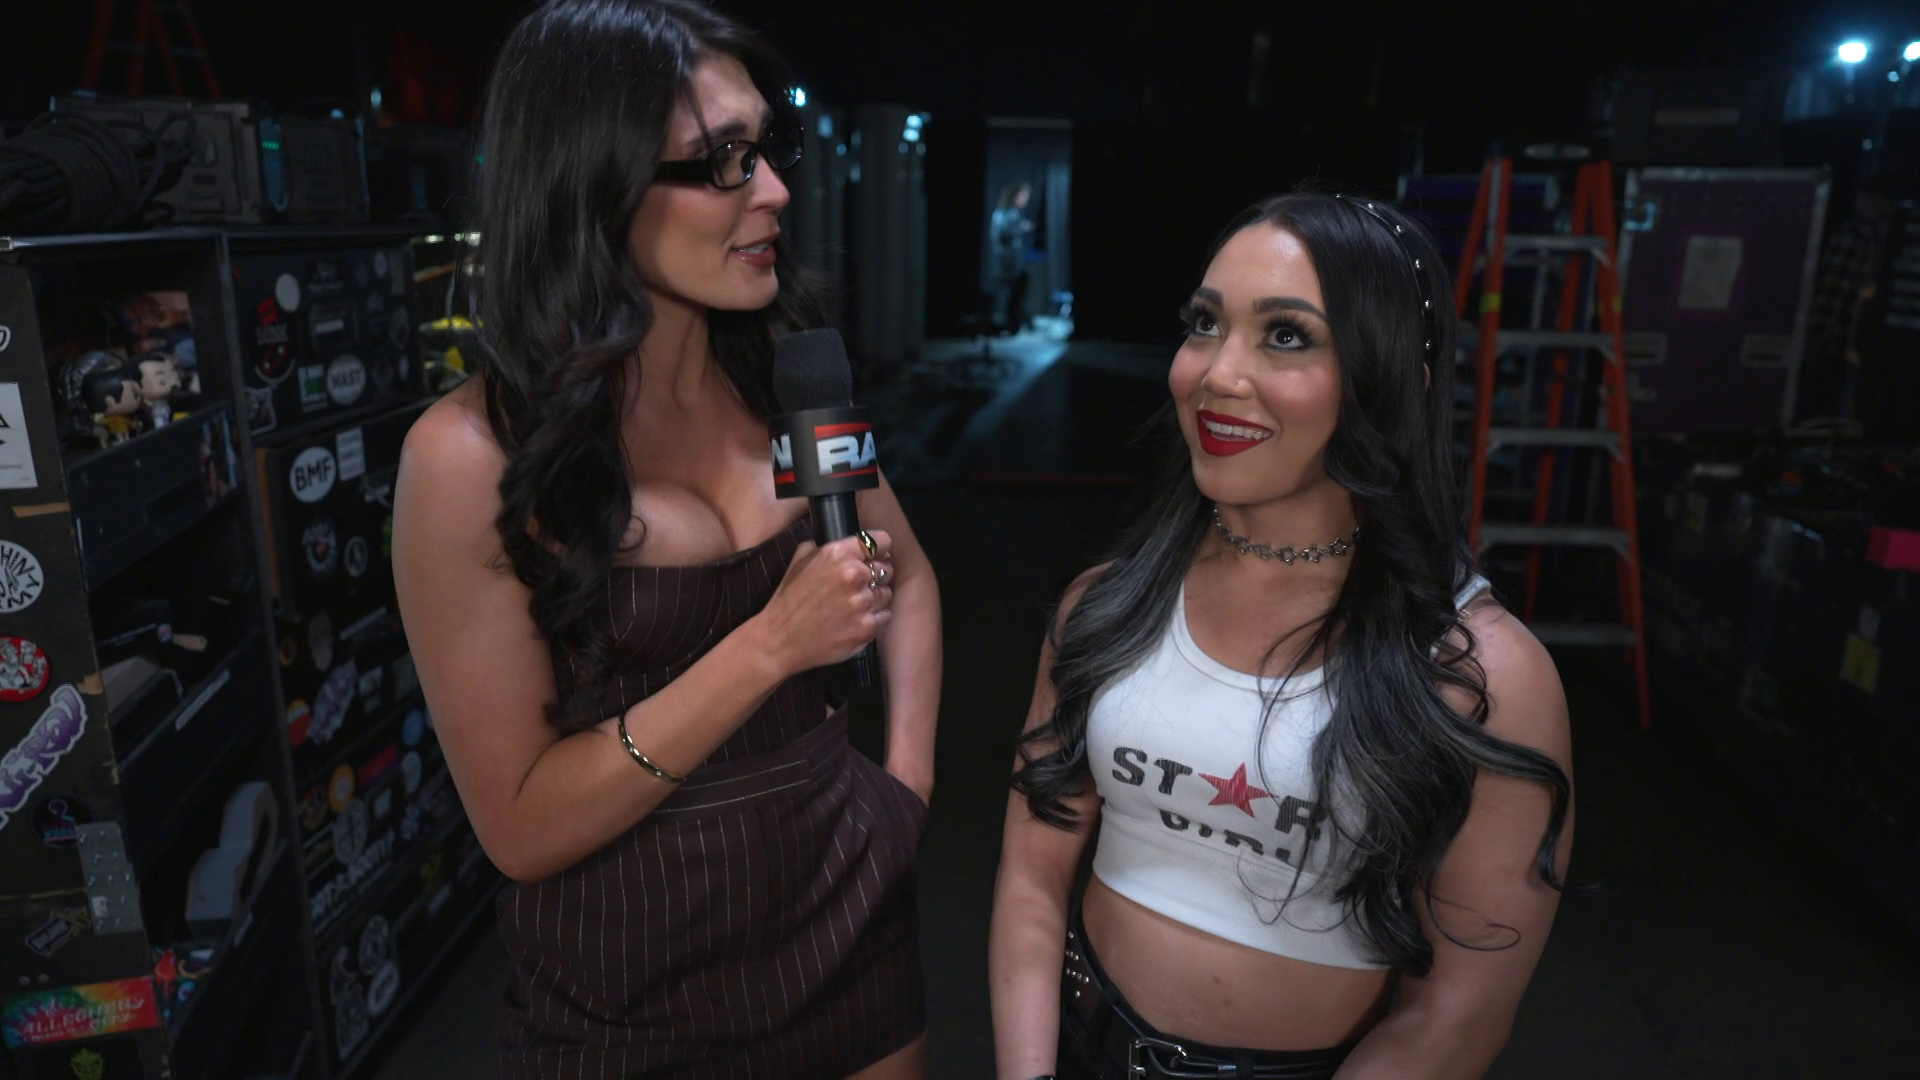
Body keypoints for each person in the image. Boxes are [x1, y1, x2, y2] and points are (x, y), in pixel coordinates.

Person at [391, 2, 942, 1076]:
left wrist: (904, 793)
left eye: (767, 149)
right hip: (632, 996)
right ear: (593, 188)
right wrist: (769, 647)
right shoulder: (469, 456)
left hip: (855, 934)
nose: (774, 191)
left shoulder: (784, 380)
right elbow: (520, 827)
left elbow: (908, 576)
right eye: (723, 160)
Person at [988, 192, 1574, 1080]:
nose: (1218, 373)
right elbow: (1032, 881)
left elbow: (1456, 1018)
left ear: (1393, 378)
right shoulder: (1107, 606)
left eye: (1287, 335)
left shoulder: (1484, 676)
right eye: (1204, 325)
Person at [990, 181, 1037, 333]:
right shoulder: (1007, 214)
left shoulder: (1006, 213)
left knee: (1018, 292)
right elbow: (1004, 233)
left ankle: (1019, 322)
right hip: (1009, 262)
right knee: (1015, 292)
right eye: (1023, 196)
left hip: (1011, 261)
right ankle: (1014, 324)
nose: (1025, 200)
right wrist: (1022, 227)